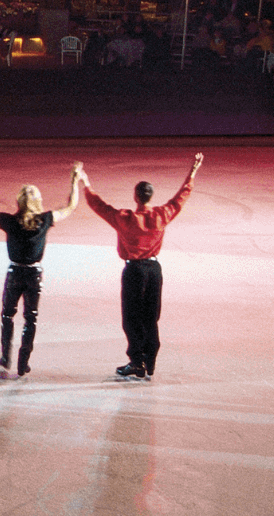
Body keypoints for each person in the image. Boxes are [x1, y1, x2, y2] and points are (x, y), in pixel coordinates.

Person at [81, 152, 204, 380]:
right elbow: (181, 197)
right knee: (151, 316)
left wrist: (85, 182)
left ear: (136, 197)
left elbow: (99, 206)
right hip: (154, 271)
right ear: (151, 196)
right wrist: (193, 171)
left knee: (131, 317)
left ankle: (136, 361)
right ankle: (151, 361)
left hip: (134, 271)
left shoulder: (125, 218)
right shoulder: (161, 215)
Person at [0, 168, 82, 378]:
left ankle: (6, 356)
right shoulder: (45, 220)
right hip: (34, 274)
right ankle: (23, 362)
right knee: (30, 318)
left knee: (8, 314)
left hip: (14, 272)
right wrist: (74, 182)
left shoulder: (9, 221)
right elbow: (71, 207)